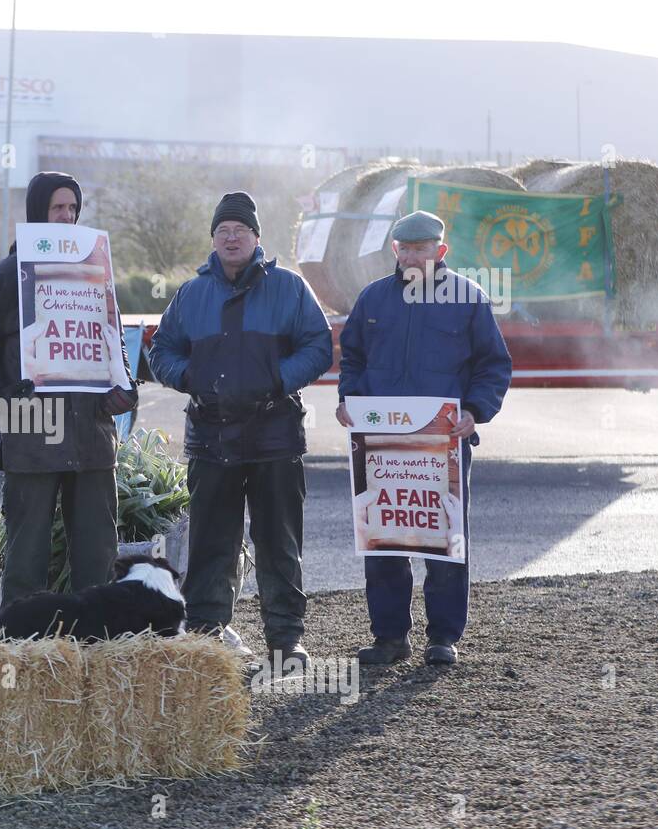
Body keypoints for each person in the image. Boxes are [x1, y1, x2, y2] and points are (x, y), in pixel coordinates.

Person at [148, 192, 333, 669]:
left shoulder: (290, 288)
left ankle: (285, 641)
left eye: (241, 231)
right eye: (222, 231)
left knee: (279, 541)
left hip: (275, 436)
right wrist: (189, 378)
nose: (231, 238)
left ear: (256, 238)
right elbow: (160, 350)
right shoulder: (192, 294)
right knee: (211, 541)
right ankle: (207, 637)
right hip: (211, 438)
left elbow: (318, 344)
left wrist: (277, 378)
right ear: (213, 239)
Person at [337, 210, 512, 665]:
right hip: (381, 445)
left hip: (444, 444)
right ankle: (390, 637)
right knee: (384, 537)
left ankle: (444, 637)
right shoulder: (373, 299)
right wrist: (349, 401)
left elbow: (493, 364)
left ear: (441, 250)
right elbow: (352, 356)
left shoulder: (467, 299)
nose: (414, 255)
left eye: (422, 247)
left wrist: (475, 410)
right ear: (395, 250)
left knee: (445, 538)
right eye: (406, 248)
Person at [0, 171, 137, 610]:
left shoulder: (96, 272)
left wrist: (123, 387)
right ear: (37, 211)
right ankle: (24, 646)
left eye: (73, 209)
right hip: (31, 429)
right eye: (58, 207)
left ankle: (96, 643)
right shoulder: (8, 275)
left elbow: (111, 342)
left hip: (92, 433)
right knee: (27, 556)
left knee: (98, 553)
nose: (67, 216)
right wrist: (1, 397)